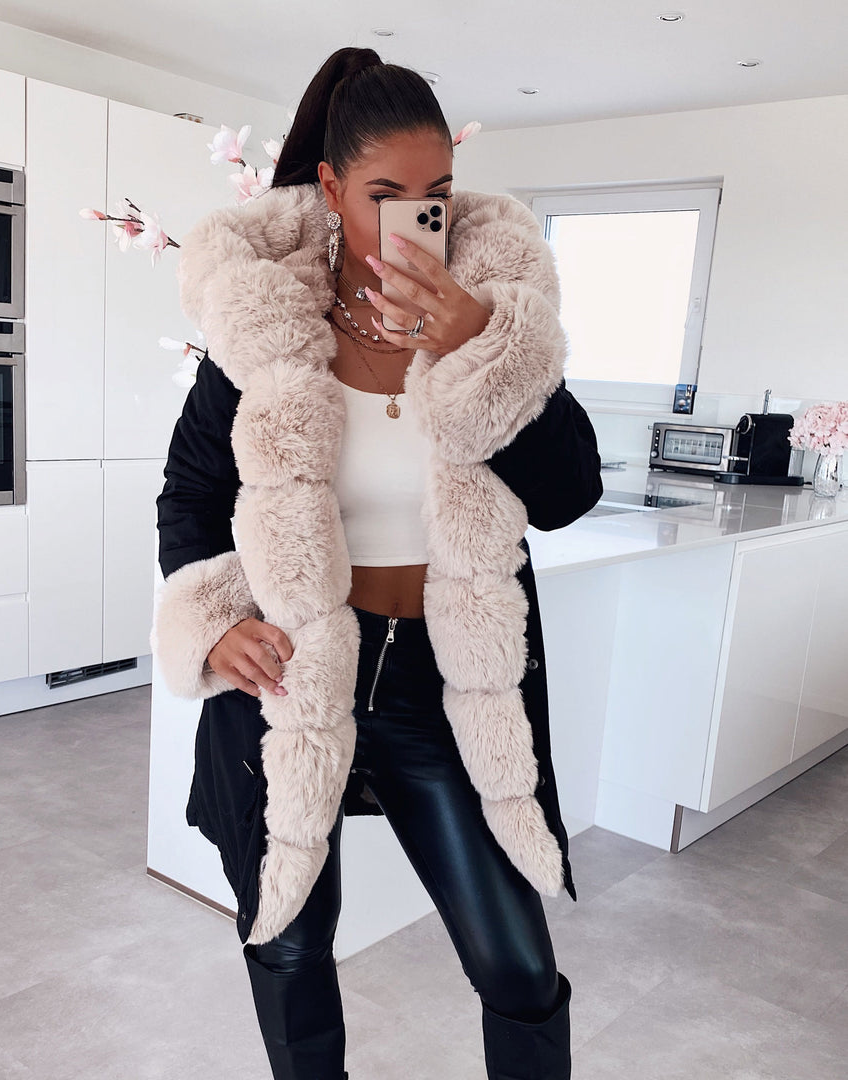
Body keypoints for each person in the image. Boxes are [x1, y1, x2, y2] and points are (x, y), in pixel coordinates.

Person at [152, 46, 602, 1080]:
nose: (415, 219)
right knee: (290, 941)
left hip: (445, 684)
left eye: (435, 193)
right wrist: (214, 622)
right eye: (385, 195)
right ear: (329, 188)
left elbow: (569, 494)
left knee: (518, 965)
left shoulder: (495, 311)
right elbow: (190, 497)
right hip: (296, 676)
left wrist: (483, 343)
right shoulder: (265, 330)